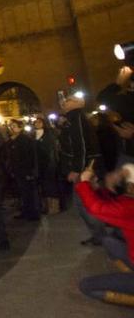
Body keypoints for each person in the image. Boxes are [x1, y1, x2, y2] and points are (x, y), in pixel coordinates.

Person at [76, 164, 134, 306]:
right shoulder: (128, 202)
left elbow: (97, 209)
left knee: (86, 285)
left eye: (120, 175)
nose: (113, 176)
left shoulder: (129, 208)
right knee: (108, 240)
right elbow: (114, 203)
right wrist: (94, 188)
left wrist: (84, 182)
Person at [58, 94, 105, 245]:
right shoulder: (73, 119)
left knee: (85, 203)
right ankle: (99, 234)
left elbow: (81, 145)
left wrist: (77, 169)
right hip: (87, 167)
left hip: (85, 169)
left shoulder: (76, 118)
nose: (64, 103)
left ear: (78, 104)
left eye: (68, 100)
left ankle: (100, 235)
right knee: (86, 202)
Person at [5, 120, 40, 221]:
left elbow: (28, 157)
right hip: (17, 170)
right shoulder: (12, 139)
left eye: (14, 126)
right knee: (22, 192)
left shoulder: (24, 140)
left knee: (28, 192)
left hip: (24, 170)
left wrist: (29, 171)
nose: (12, 128)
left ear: (20, 128)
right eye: (11, 126)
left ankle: (31, 213)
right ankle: (25, 211)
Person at [34, 116, 60, 214]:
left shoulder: (49, 134)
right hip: (39, 163)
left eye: (39, 122)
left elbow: (50, 149)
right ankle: (45, 206)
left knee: (51, 185)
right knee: (43, 186)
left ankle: (54, 207)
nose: (37, 124)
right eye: (35, 122)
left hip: (49, 163)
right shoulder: (33, 135)